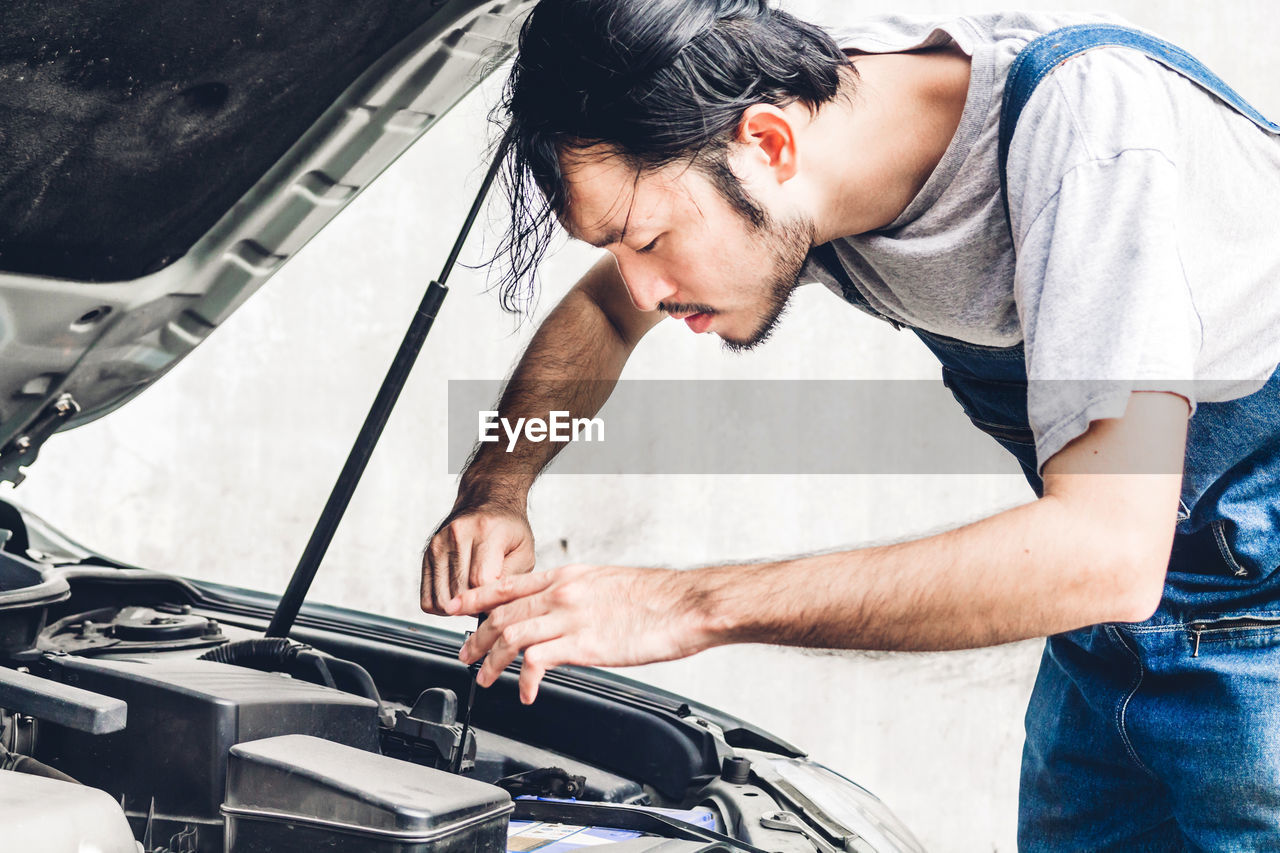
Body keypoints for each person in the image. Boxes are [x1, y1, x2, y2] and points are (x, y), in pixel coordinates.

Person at [421, 0, 1280, 848]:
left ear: (768, 143)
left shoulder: (1090, 134)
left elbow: (1105, 551)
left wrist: (685, 605)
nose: (639, 285)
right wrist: (496, 486)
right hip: (1111, 641)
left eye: (647, 239)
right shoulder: (772, 123)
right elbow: (604, 314)